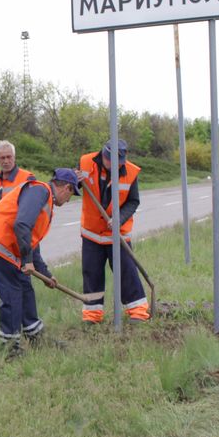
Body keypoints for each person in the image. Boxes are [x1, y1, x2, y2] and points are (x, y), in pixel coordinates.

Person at [0, 168, 80, 357]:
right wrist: (27, 261)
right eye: (72, 194)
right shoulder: (40, 191)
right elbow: (21, 224)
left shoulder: (44, 199)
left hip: (6, 249)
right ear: (67, 188)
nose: (70, 199)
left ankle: (35, 335)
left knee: (25, 288)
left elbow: (31, 241)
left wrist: (45, 274)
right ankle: (10, 348)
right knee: (11, 293)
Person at [77, 138, 150, 323]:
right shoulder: (86, 162)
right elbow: (74, 186)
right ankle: (92, 315)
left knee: (127, 272)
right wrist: (74, 180)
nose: (114, 166)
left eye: (119, 162)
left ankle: (138, 311)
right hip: (92, 233)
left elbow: (133, 201)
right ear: (104, 155)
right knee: (91, 274)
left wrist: (119, 218)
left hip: (117, 234)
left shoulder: (131, 172)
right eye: (110, 161)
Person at [0, 140, 35, 211]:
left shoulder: (27, 178)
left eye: (9, 157)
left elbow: (32, 206)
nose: (6, 161)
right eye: (2, 158)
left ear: (14, 157)